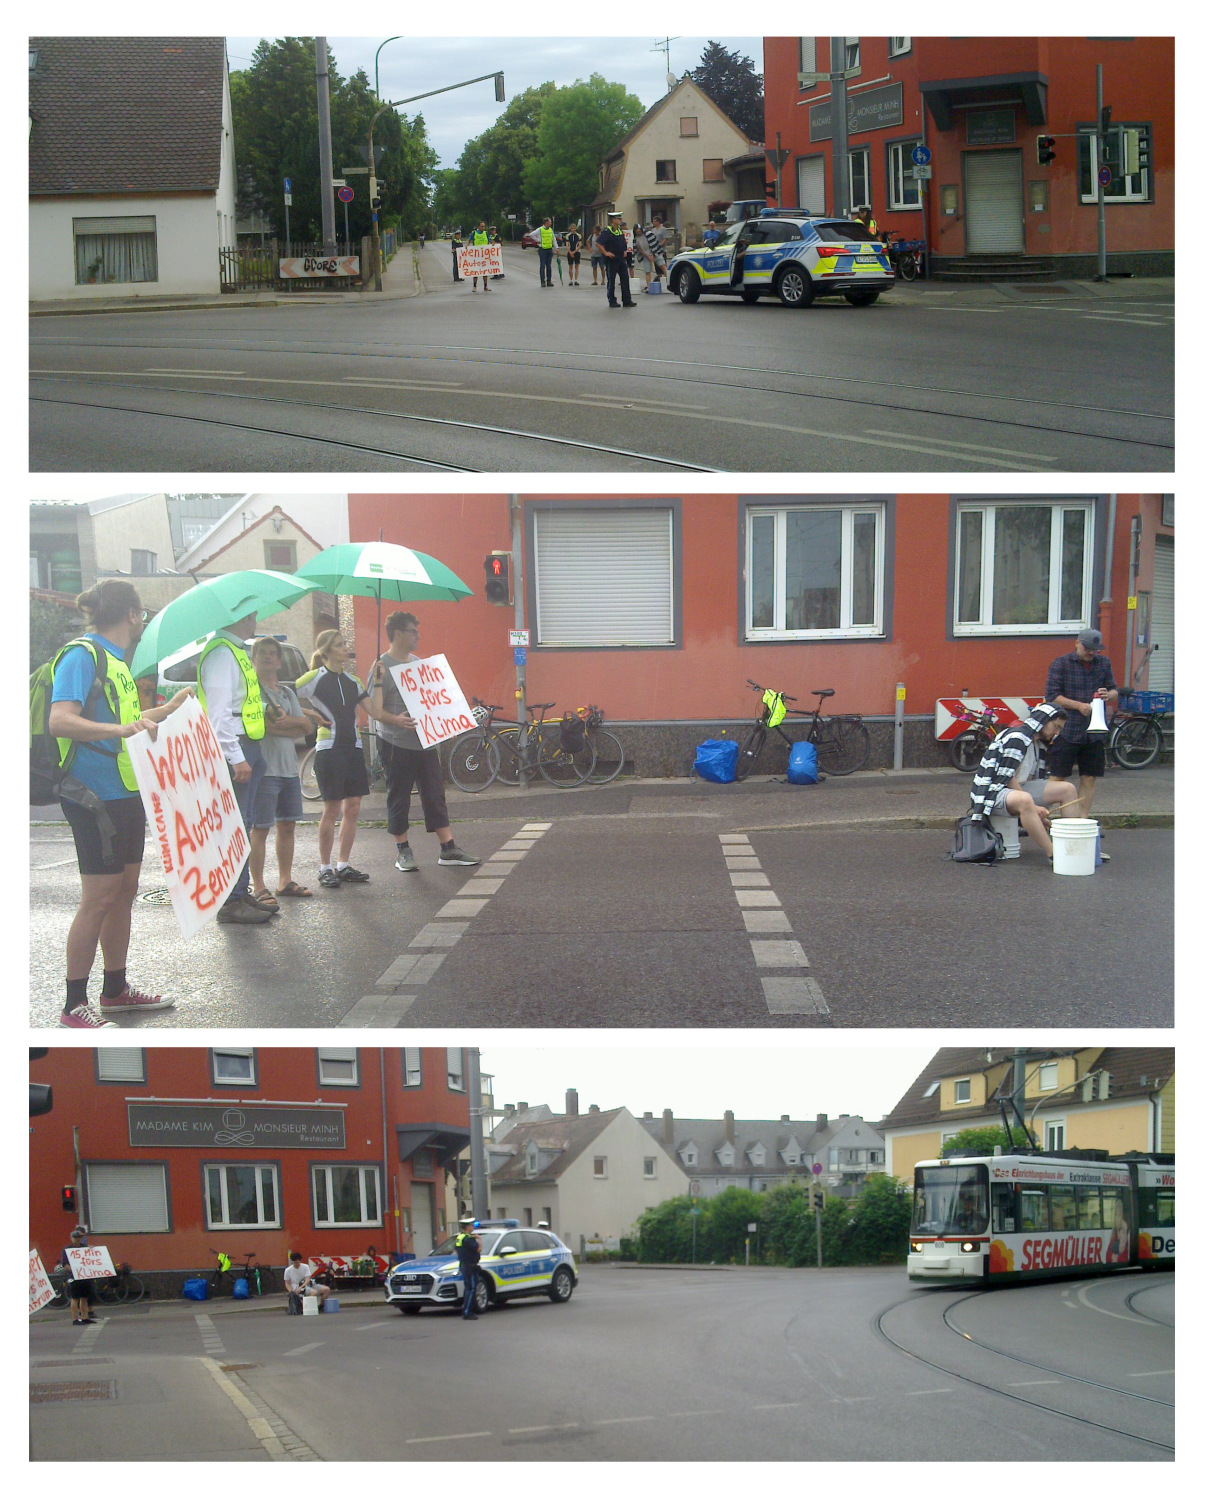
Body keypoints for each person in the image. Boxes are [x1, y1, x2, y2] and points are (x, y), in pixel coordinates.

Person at [49, 580, 192, 1026]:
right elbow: (60, 721)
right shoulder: (82, 655)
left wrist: (169, 712)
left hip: (127, 792)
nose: (145, 620)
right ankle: (74, 1003)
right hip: (93, 796)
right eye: (143, 613)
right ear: (131, 614)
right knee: (100, 898)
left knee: (125, 894)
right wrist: (118, 731)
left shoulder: (117, 662)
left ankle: (115, 990)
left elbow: (128, 723)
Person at [368, 611, 479, 871]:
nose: (418, 636)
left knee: (434, 795)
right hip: (396, 744)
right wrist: (396, 720)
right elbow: (374, 711)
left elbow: (434, 702)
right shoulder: (380, 667)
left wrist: (448, 718)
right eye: (413, 632)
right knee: (399, 797)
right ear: (397, 634)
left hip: (426, 743)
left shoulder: (418, 664)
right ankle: (403, 851)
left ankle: (448, 849)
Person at [197, 611, 274, 925]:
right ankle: (231, 899)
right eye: (251, 615)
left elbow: (240, 704)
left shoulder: (234, 651)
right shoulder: (221, 653)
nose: (255, 619)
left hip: (248, 745)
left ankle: (240, 893)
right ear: (240, 618)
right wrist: (235, 756)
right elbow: (219, 713)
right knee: (235, 825)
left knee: (245, 823)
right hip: (237, 748)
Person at [296, 631, 372, 889]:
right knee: (331, 808)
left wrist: (379, 681)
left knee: (353, 807)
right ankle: (324, 867)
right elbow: (281, 696)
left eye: (344, 644)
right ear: (326, 651)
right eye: (340, 645)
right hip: (329, 748)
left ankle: (343, 864)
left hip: (354, 747)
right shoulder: (314, 678)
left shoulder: (354, 681)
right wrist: (311, 714)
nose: (345, 648)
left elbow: (376, 711)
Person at [247, 637, 313, 906]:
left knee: (287, 825)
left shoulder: (286, 693)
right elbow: (259, 727)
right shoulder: (252, 692)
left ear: (279, 660)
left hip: (288, 770)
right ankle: (259, 886)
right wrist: (290, 726)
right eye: (262, 653)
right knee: (260, 829)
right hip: (265, 770)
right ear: (254, 659)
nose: (268, 657)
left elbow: (307, 727)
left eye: (273, 653)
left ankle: (285, 880)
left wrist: (288, 723)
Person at [967, 703, 1079, 862]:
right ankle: (1054, 854)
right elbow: (1006, 777)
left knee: (1068, 789)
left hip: (1014, 790)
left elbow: (1029, 779)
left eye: (1060, 729)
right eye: (1055, 726)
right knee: (1025, 800)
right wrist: (1033, 807)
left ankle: (1073, 846)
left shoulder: (1036, 743)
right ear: (1042, 720)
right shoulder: (1017, 737)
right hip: (990, 792)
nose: (1057, 732)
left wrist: (1036, 814)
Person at [1045, 628, 1119, 846]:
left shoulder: (1103, 663)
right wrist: (1078, 706)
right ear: (1077, 643)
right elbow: (1052, 696)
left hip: (1094, 732)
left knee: (1089, 777)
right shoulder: (1060, 664)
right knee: (1058, 777)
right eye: (1087, 649)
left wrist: (1109, 695)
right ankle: (1045, 819)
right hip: (1067, 729)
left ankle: (1083, 822)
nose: (1091, 654)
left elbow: (1115, 690)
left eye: (1095, 650)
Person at [596, 213, 635, 309]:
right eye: (618, 218)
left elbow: (622, 242)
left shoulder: (619, 230)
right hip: (612, 259)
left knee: (625, 279)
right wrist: (605, 253)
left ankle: (627, 300)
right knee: (611, 281)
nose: (620, 219)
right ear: (613, 220)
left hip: (621, 259)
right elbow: (598, 243)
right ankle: (612, 301)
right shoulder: (607, 231)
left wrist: (625, 250)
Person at [61, 1225, 97, 1326]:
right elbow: (64, 1264)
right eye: (75, 1238)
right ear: (71, 1238)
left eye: (79, 1238)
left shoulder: (84, 1247)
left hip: (85, 1276)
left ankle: (85, 1317)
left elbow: (90, 1258)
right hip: (74, 1276)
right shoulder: (67, 1249)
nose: (77, 1240)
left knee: (84, 1297)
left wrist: (93, 1251)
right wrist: (74, 1270)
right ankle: (75, 1319)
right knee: (75, 1298)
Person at [455, 1219, 481, 1320]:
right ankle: (467, 1312)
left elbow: (456, 1250)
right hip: (470, 1265)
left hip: (464, 1264)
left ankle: (466, 1309)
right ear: (468, 1227)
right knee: (471, 1288)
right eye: (471, 1225)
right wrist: (479, 1239)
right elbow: (478, 1249)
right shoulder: (468, 1239)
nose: (473, 1227)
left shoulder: (459, 1237)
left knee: (468, 1288)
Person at [632, 223, 656, 290]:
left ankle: (666, 284)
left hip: (654, 253)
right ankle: (649, 286)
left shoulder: (648, 234)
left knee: (661, 267)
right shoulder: (636, 239)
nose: (638, 232)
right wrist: (647, 256)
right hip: (645, 255)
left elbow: (653, 243)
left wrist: (652, 254)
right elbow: (639, 249)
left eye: (639, 231)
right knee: (647, 271)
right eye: (637, 232)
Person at [644, 214, 669, 279]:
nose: (653, 222)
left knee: (663, 264)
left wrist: (660, 245)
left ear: (658, 222)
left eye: (654, 221)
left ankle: (667, 277)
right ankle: (659, 276)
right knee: (657, 265)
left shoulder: (663, 229)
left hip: (661, 249)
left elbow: (665, 239)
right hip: (654, 250)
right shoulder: (653, 230)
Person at [470, 220, 491, 293]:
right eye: (482, 226)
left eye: (484, 226)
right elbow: (469, 240)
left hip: (484, 255)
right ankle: (474, 286)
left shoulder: (486, 233)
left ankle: (485, 286)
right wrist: (466, 247)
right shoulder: (474, 233)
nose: (483, 228)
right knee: (476, 271)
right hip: (476, 255)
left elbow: (489, 241)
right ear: (478, 227)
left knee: (485, 271)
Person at [537, 217, 557, 288]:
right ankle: (543, 281)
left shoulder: (550, 230)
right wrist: (538, 240)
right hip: (542, 249)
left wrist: (556, 247)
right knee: (542, 265)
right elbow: (531, 235)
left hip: (549, 249)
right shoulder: (540, 229)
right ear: (546, 223)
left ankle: (549, 281)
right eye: (550, 222)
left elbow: (553, 239)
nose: (551, 223)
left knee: (549, 266)